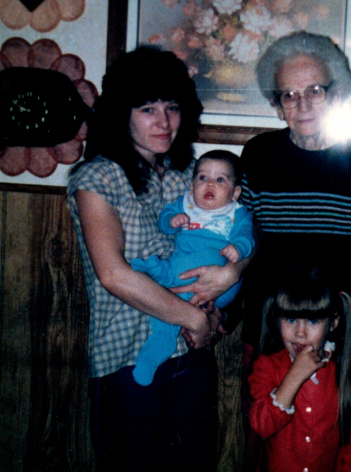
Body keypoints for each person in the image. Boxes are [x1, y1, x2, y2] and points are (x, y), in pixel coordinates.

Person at [67, 47, 239, 471]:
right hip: (126, 362)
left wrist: (230, 277)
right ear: (121, 113)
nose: (164, 122)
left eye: (172, 108)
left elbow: (242, 234)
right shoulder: (97, 177)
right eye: (147, 109)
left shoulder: (189, 175)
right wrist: (194, 317)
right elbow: (113, 275)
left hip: (191, 356)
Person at [241, 31, 351, 388]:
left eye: (315, 91)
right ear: (277, 105)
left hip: (344, 327)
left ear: (336, 94)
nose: (303, 105)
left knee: (341, 419)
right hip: (272, 327)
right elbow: (241, 237)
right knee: (269, 418)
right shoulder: (259, 155)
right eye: (289, 95)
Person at [130, 150, 254, 386]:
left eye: (220, 180)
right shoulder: (185, 203)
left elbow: (247, 235)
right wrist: (171, 221)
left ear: (235, 192)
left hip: (220, 285)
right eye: (202, 178)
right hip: (184, 280)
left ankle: (163, 272)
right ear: (192, 184)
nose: (210, 184)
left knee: (212, 256)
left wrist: (238, 247)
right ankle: (157, 347)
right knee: (168, 305)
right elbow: (165, 216)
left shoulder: (237, 212)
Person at [249, 269, 351, 472]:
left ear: (332, 323)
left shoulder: (350, 375)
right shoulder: (267, 367)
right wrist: (294, 377)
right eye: (290, 320)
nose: (300, 333)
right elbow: (261, 425)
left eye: (313, 321)